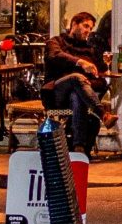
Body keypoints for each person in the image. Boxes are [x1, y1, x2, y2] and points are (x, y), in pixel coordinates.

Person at [42, 12, 109, 155]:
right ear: (74, 24)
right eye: (85, 26)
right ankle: (103, 114)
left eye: (90, 29)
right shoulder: (55, 42)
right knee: (76, 78)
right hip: (55, 93)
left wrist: (88, 83)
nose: (88, 31)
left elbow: (101, 80)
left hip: (78, 97)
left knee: (77, 95)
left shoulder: (89, 50)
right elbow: (54, 56)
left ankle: (79, 147)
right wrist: (80, 63)